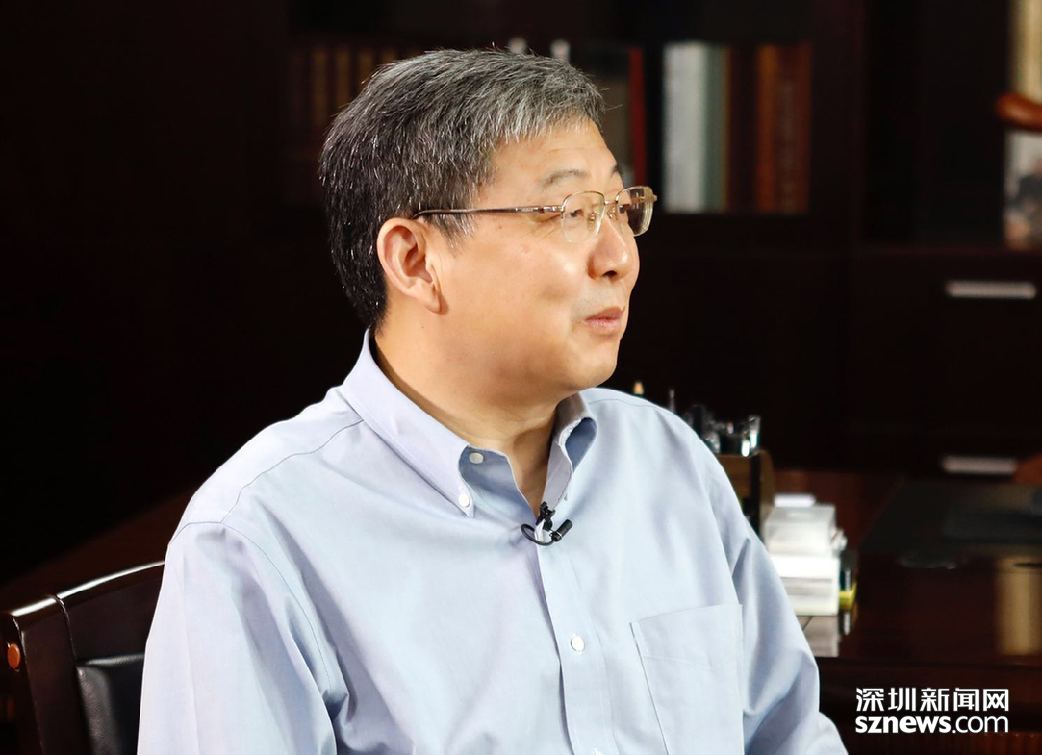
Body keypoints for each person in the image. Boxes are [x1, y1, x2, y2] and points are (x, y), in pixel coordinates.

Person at [138, 48, 846, 754]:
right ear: (416, 260)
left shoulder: (668, 461)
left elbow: (790, 736)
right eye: (571, 212)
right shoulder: (257, 538)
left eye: (621, 208)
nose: (620, 258)